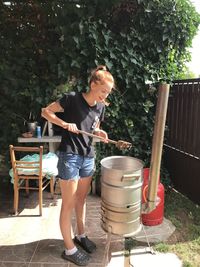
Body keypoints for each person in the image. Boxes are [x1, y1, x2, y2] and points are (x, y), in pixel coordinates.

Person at [41, 65, 115, 266]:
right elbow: (45, 112)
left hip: (88, 157)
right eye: (103, 91)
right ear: (93, 84)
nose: (105, 96)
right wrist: (64, 124)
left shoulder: (101, 106)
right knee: (68, 203)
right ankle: (69, 249)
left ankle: (80, 236)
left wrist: (100, 133)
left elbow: (94, 126)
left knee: (81, 200)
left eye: (108, 92)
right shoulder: (72, 99)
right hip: (70, 156)